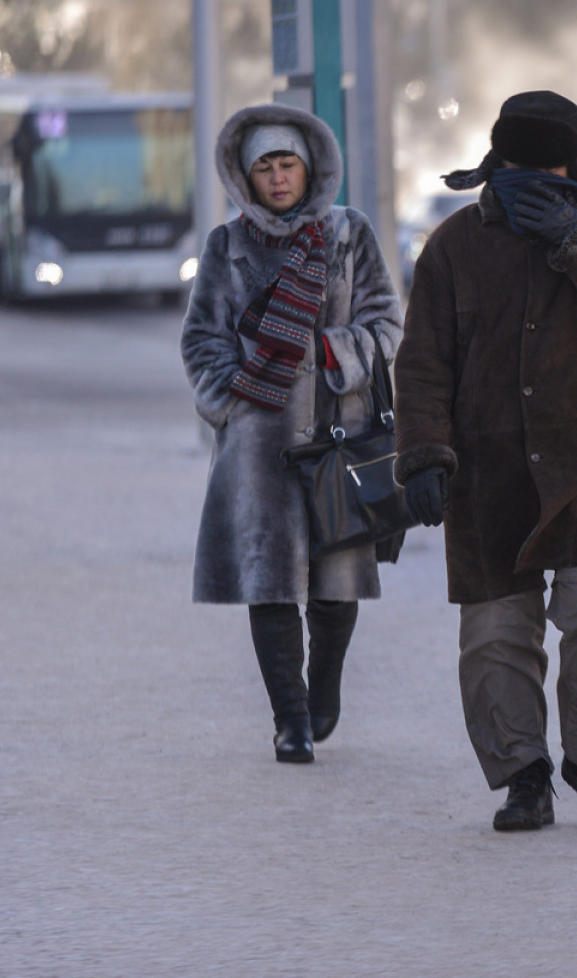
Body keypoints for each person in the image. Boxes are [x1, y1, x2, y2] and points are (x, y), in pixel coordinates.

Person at [395, 90, 577, 831]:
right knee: (495, 636)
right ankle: (524, 775)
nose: (535, 175)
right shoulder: (453, 244)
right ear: (497, 160)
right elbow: (421, 362)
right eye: (521, 163)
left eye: (549, 163)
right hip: (485, 475)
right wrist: (422, 454)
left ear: (571, 161)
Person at [181, 103, 404, 764]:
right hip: (259, 446)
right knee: (270, 581)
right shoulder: (227, 247)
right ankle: (290, 718)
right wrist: (236, 398)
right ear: (244, 178)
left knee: (336, 585)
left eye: (287, 165)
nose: (278, 179)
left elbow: (386, 323)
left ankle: (323, 692)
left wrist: (329, 356)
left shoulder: (349, 236)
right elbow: (200, 341)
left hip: (340, 436)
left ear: (309, 169)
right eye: (264, 168)